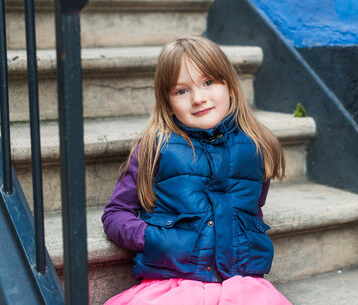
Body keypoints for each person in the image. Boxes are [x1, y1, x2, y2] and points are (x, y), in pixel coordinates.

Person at [101, 36, 291, 304]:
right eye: (181, 91)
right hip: (175, 284)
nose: (199, 98)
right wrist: (152, 238)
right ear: (167, 102)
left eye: (209, 82)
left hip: (241, 286)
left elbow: (251, 212)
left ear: (230, 87)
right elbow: (115, 214)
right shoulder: (156, 147)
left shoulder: (257, 147)